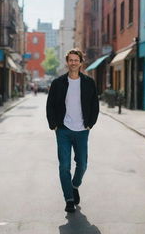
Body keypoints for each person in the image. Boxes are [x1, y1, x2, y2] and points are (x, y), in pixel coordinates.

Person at [46, 48, 99, 213]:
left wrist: (90, 123)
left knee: (82, 164)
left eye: (76, 60)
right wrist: (54, 124)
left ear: (81, 62)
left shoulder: (89, 83)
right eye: (71, 60)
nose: (73, 63)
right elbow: (50, 105)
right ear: (67, 62)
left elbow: (95, 106)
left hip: (82, 129)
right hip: (63, 130)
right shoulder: (58, 83)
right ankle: (69, 199)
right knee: (64, 166)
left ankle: (74, 185)